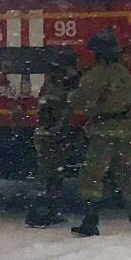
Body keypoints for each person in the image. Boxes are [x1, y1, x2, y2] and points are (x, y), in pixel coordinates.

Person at [67, 28, 131, 237]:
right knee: (126, 174)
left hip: (102, 131)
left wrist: (71, 93)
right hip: (122, 130)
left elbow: (81, 100)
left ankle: (90, 221)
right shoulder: (124, 73)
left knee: (92, 176)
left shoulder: (97, 74)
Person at [25, 45, 82, 227]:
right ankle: (37, 214)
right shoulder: (55, 86)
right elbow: (59, 107)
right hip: (50, 135)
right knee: (46, 175)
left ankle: (48, 211)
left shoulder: (57, 83)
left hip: (54, 135)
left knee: (54, 175)